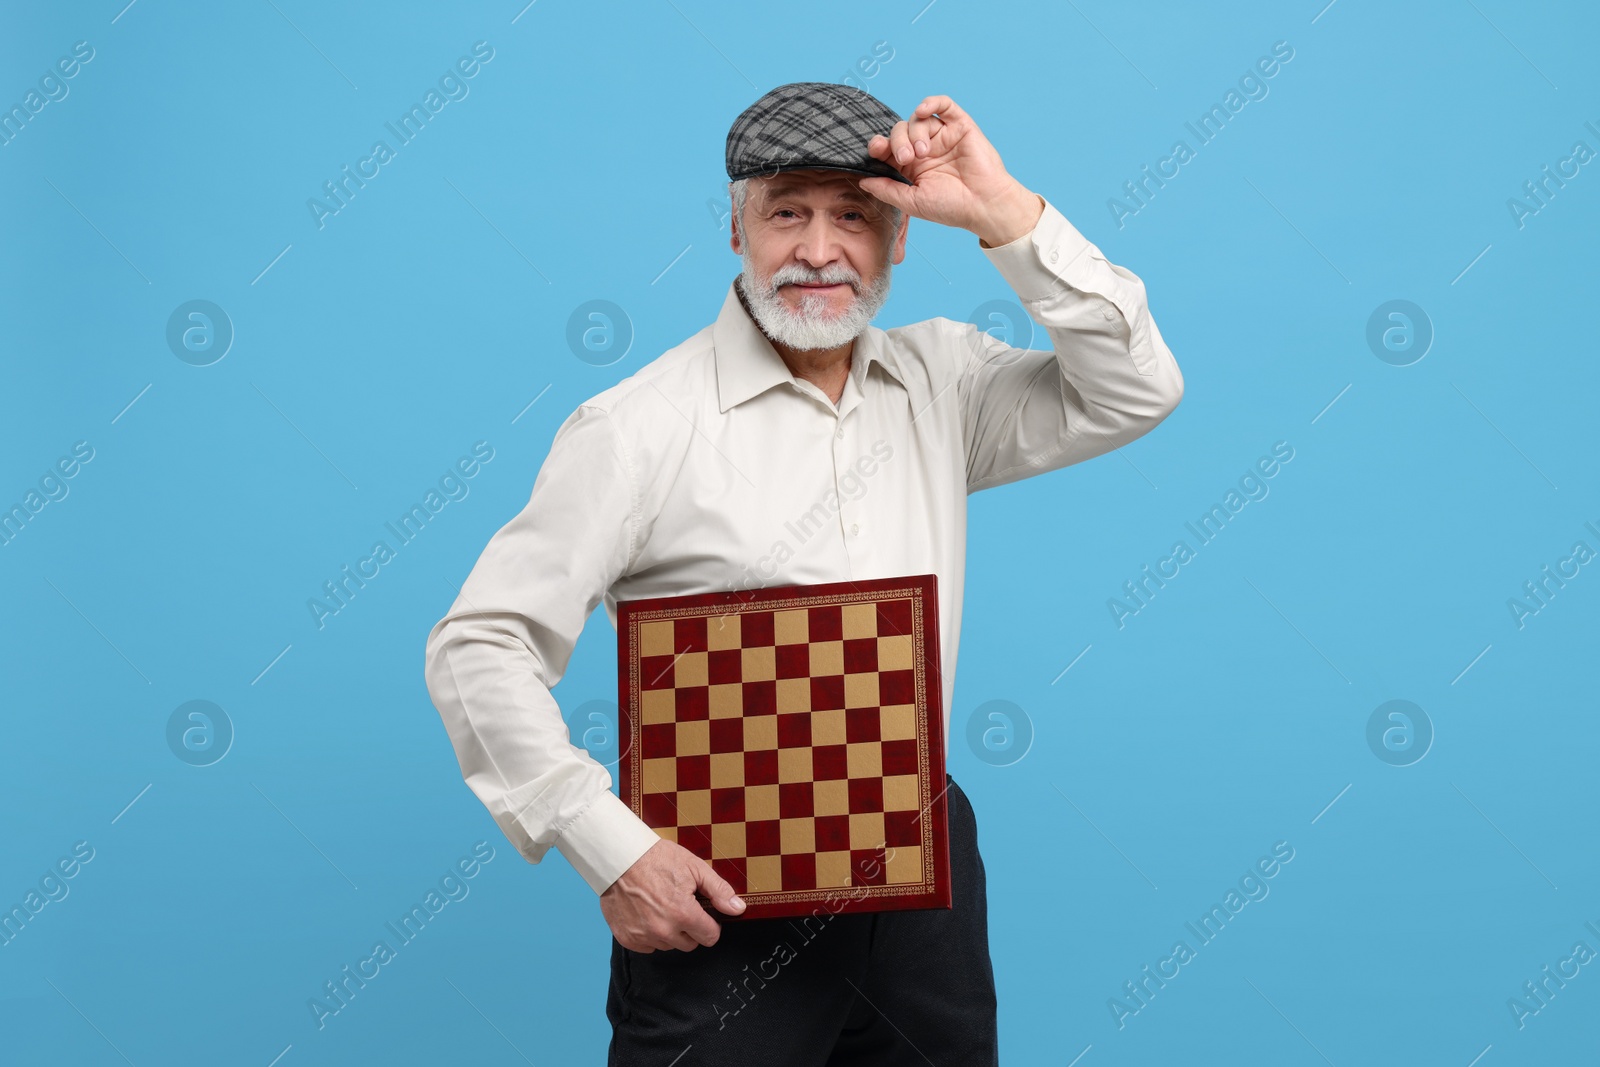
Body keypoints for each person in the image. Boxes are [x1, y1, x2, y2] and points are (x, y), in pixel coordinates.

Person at [423, 81, 1184, 1065]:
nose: (819, 250)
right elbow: (480, 643)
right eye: (787, 211)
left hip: (921, 877)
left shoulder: (943, 382)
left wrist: (1005, 214)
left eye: (854, 216)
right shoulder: (638, 426)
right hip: (720, 887)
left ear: (901, 237)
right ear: (736, 227)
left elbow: (1135, 387)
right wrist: (606, 844)